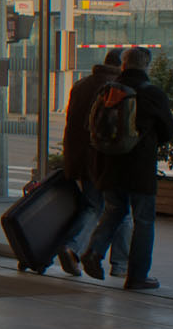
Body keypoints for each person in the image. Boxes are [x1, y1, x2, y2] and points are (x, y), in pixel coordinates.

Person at [78, 45, 173, 290]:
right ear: (146, 65)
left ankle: (93, 251)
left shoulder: (107, 91)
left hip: (108, 165)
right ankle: (137, 276)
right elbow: (168, 131)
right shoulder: (152, 93)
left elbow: (89, 125)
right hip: (139, 167)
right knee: (143, 220)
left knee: (114, 210)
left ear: (123, 65)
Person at [56, 49, 132, 277]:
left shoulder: (81, 85)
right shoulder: (116, 89)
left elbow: (72, 125)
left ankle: (72, 248)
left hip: (81, 159)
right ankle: (120, 264)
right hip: (104, 160)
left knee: (93, 206)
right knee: (121, 210)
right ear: (121, 67)